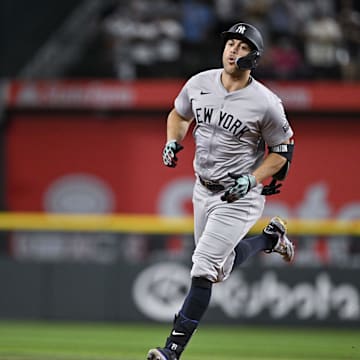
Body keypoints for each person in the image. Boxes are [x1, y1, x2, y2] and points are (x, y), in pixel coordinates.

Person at [147, 22, 295, 360]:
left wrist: (253, 179)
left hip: (239, 196)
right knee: (219, 269)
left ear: (253, 57)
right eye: (230, 43)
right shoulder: (199, 83)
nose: (233, 50)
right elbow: (179, 114)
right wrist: (173, 139)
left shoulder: (266, 103)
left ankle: (172, 351)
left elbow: (282, 152)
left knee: (201, 268)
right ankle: (269, 240)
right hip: (203, 189)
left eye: (242, 46)